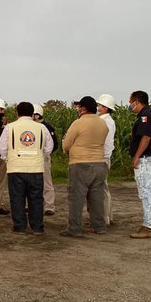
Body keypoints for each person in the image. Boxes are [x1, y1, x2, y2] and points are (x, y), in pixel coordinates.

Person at [0, 102, 53, 235]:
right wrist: (39, 156)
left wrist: (8, 158)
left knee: (17, 198)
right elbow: (49, 148)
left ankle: (19, 226)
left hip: (16, 168)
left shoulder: (9, 127)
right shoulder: (41, 128)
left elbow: (2, 147)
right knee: (36, 198)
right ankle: (37, 227)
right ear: (32, 113)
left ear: (17, 113)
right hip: (36, 169)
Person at [60, 96, 109, 237]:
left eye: (79, 107)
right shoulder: (102, 124)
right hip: (99, 163)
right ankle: (99, 226)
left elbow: (66, 144)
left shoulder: (78, 123)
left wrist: (67, 149)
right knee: (96, 198)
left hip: (80, 163)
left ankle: (74, 228)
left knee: (76, 197)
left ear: (83, 108)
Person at [128, 90, 151, 239]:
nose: (130, 105)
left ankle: (147, 227)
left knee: (146, 193)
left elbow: (146, 138)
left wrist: (137, 156)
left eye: (131, 102)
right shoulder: (150, 113)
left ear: (137, 101)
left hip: (146, 159)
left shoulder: (145, 116)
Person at [32, 104, 58, 216]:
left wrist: (46, 154)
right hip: (32, 157)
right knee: (32, 183)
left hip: (43, 157)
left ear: (37, 115)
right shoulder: (30, 126)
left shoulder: (47, 127)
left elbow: (54, 144)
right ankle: (32, 205)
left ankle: (49, 206)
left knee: (47, 183)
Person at [96, 94, 117, 226]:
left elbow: (107, 144)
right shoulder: (107, 120)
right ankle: (108, 216)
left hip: (102, 158)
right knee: (104, 188)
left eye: (100, 105)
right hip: (103, 157)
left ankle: (105, 218)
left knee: (102, 189)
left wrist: (103, 157)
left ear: (105, 107)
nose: (98, 107)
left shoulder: (105, 121)